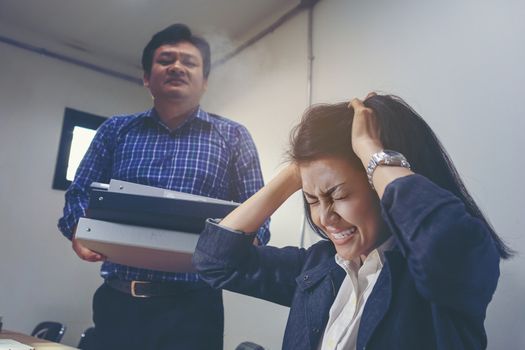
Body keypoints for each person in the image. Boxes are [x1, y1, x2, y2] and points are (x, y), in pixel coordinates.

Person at [193, 94, 510, 350]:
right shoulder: (318, 267)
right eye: (313, 201)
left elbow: (438, 243)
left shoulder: (455, 262)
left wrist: (371, 152)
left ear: (378, 184)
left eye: (338, 194)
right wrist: (297, 169)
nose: (325, 217)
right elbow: (216, 261)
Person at [58, 23, 269, 350]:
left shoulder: (234, 137)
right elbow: (79, 192)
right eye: (166, 59)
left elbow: (259, 209)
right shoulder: (116, 130)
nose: (177, 67)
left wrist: (249, 241)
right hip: (118, 302)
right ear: (146, 77)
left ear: (205, 81)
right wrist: (77, 230)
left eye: (189, 62)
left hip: (195, 309)